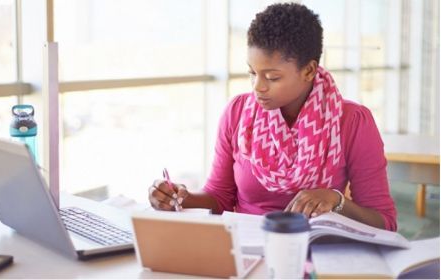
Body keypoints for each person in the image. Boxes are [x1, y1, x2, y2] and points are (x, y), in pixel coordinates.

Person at [148, 3, 396, 231]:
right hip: (246, 247)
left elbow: (384, 222)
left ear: (309, 70)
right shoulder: (237, 114)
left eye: (272, 77)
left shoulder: (351, 121)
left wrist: (336, 200)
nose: (258, 87)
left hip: (318, 252)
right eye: (252, 73)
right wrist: (180, 198)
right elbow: (220, 197)